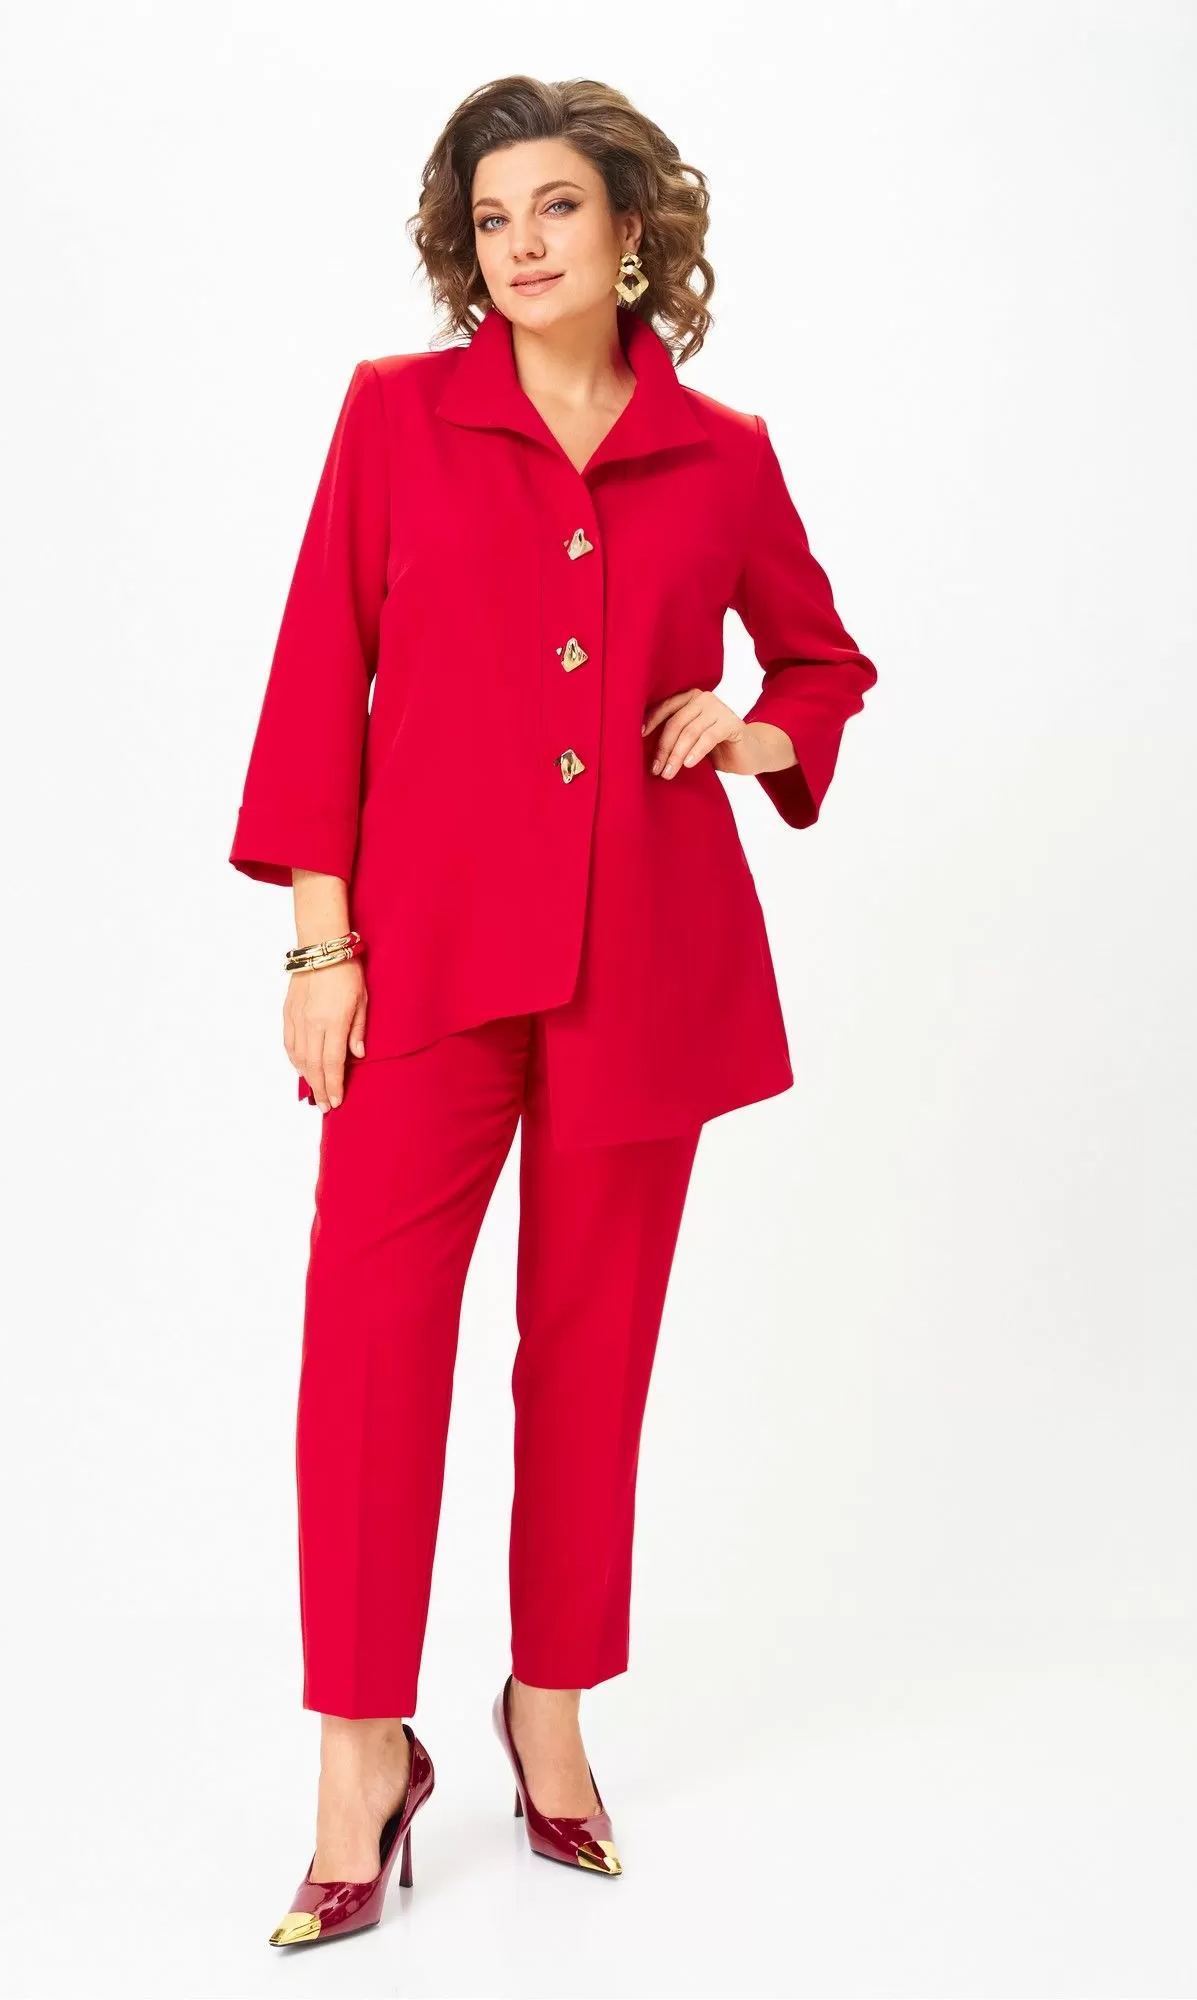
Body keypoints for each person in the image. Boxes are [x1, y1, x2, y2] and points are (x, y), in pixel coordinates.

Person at [229, 73, 877, 1949]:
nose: (520, 245)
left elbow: (823, 661)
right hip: (423, 966)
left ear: (631, 230)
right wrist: (322, 953)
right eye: (491, 217)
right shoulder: (395, 416)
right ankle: (361, 1758)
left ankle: (553, 1714)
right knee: (370, 1347)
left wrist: (752, 732)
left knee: (590, 1354)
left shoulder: (723, 454)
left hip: (644, 970)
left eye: (557, 209)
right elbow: (320, 673)